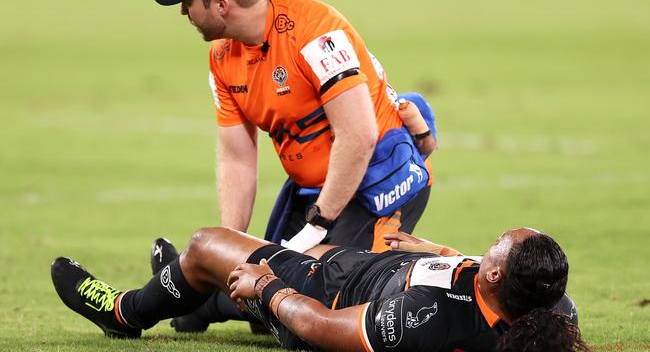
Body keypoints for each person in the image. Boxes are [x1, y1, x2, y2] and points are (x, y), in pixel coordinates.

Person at [151, 0, 436, 252]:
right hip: (312, 190)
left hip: (378, 181)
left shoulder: (315, 32)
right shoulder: (223, 56)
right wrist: (228, 247)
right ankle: (173, 287)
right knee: (255, 279)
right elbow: (237, 157)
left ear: (220, 5)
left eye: (188, 3)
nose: (183, 11)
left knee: (314, 292)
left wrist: (318, 223)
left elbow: (358, 136)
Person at [51, 227, 589, 351]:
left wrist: (270, 291)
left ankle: (126, 311)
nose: (490, 244)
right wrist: (439, 253)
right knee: (294, 253)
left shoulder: (427, 317)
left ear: (495, 276)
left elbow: (322, 327)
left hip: (328, 297)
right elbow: (475, 273)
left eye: (498, 243)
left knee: (207, 244)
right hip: (364, 270)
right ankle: (193, 300)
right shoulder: (549, 304)